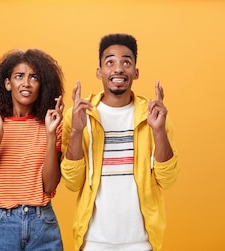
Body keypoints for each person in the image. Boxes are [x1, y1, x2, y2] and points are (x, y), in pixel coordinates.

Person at [60, 33, 180, 251]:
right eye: (110, 62)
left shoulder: (153, 115)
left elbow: (168, 180)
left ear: (135, 72)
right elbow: (72, 182)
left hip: (142, 243)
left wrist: (159, 131)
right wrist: (77, 131)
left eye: (126, 61)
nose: (118, 68)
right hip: (93, 242)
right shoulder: (78, 115)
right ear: (99, 72)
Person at [0, 48, 65, 251]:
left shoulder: (52, 123)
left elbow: (49, 186)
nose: (26, 83)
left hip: (43, 224)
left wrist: (50, 135)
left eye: (34, 77)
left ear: (42, 85)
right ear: (7, 83)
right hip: (0, 223)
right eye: (19, 76)